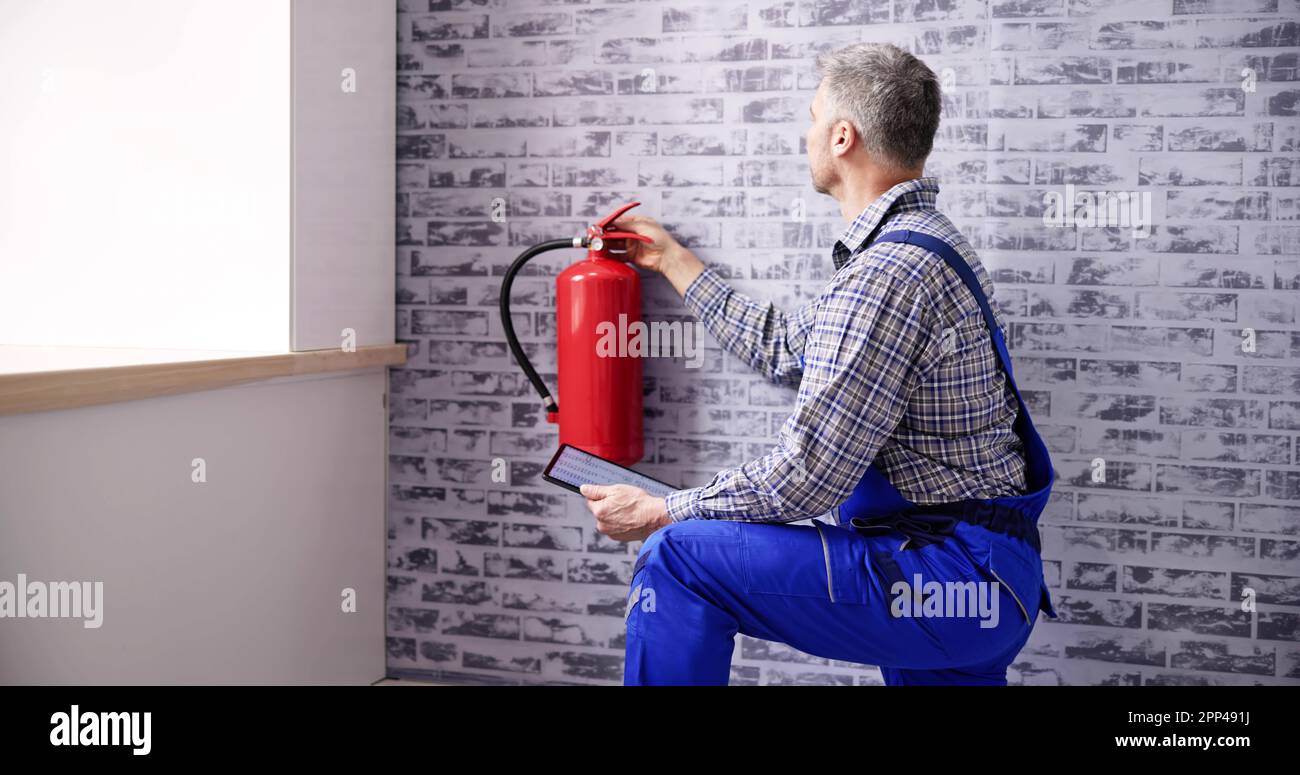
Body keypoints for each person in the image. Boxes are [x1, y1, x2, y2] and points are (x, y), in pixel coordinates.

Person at [579, 42, 1058, 686]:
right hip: (987, 582)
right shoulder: (929, 245)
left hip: (943, 578)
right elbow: (787, 348)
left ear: (841, 136)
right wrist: (671, 260)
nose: (804, 134)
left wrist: (664, 510)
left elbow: (807, 478)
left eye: (811, 117)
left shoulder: (884, 277)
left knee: (678, 558)